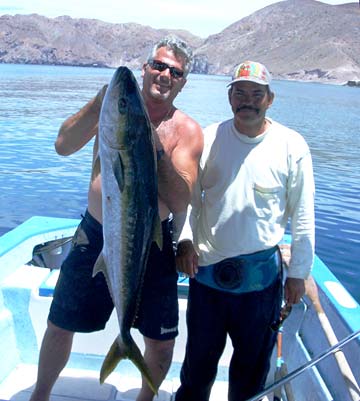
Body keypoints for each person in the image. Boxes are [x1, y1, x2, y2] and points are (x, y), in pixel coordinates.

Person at [29, 36, 203, 401]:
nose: (164, 75)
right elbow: (62, 146)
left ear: (183, 81)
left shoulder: (186, 131)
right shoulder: (112, 108)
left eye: (175, 71)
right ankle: (40, 396)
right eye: (158, 65)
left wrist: (151, 146)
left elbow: (180, 197)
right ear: (145, 68)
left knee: (161, 341)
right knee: (60, 323)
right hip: (95, 234)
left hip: (153, 243)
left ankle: (145, 397)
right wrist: (98, 105)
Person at [175, 60, 315, 401]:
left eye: (256, 94)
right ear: (229, 97)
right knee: (197, 368)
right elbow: (189, 198)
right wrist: (184, 241)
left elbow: (303, 217)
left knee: (250, 375)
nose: (247, 101)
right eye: (240, 93)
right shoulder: (208, 138)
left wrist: (298, 274)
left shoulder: (291, 145)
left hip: (260, 283)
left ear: (270, 99)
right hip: (207, 276)